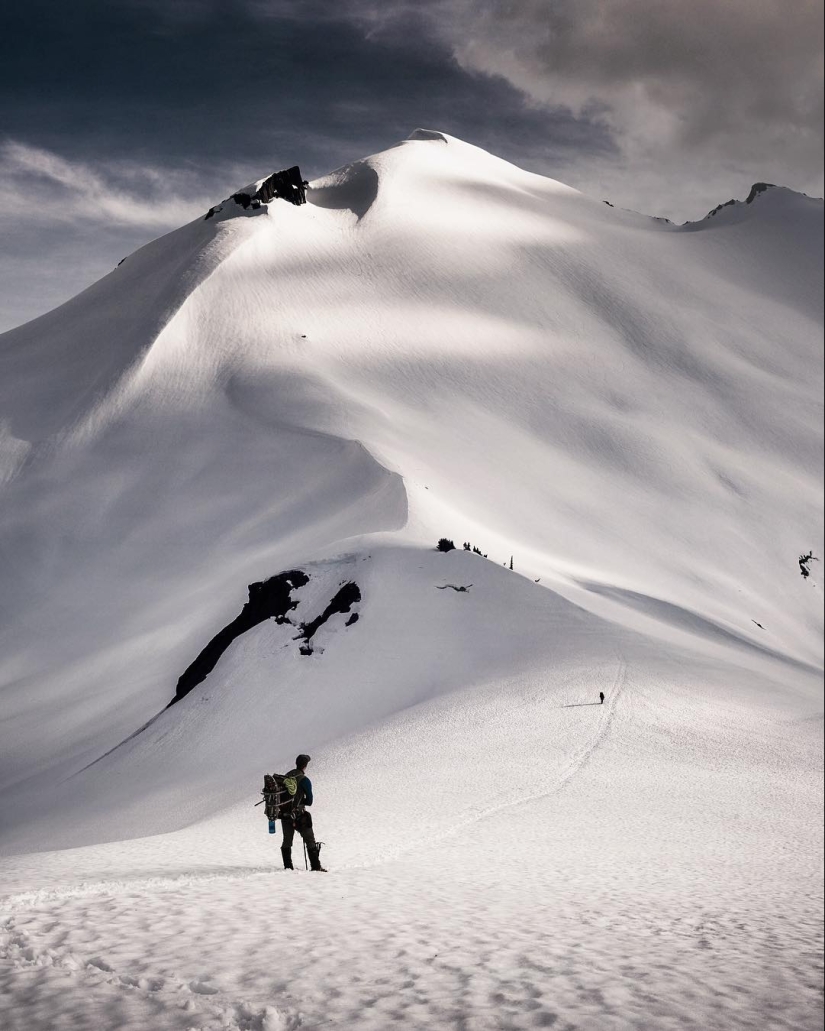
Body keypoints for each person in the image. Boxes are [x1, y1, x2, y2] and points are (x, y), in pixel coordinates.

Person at [280, 754, 327, 872]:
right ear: (305, 766)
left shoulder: (286, 777)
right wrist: (301, 802)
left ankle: (288, 867)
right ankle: (316, 866)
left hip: (285, 814)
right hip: (299, 814)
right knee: (309, 839)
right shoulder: (304, 780)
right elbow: (310, 801)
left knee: (287, 840)